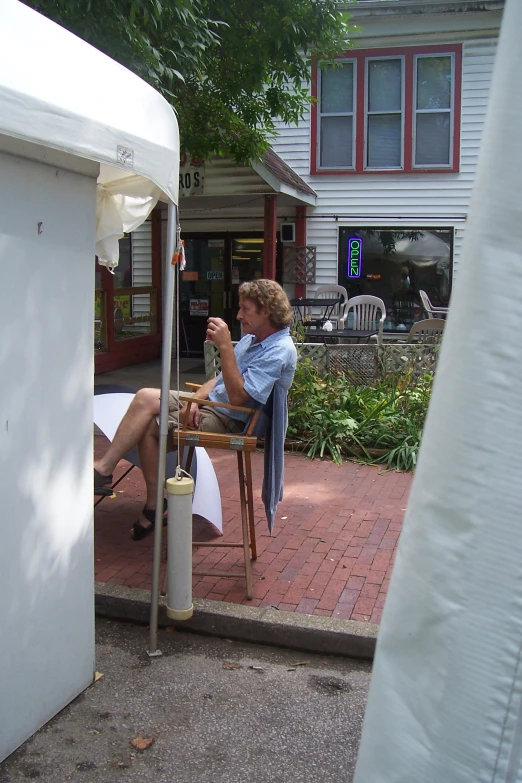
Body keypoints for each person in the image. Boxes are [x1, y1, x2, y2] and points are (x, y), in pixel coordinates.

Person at [94, 279, 297, 539]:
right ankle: (106, 472)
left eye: (245, 309)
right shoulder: (252, 339)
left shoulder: (280, 350)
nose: (238, 315)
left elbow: (237, 397)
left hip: (232, 419)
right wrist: (194, 400)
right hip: (213, 404)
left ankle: (152, 504)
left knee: (148, 428)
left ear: (266, 310)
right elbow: (222, 378)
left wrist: (224, 347)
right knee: (144, 397)